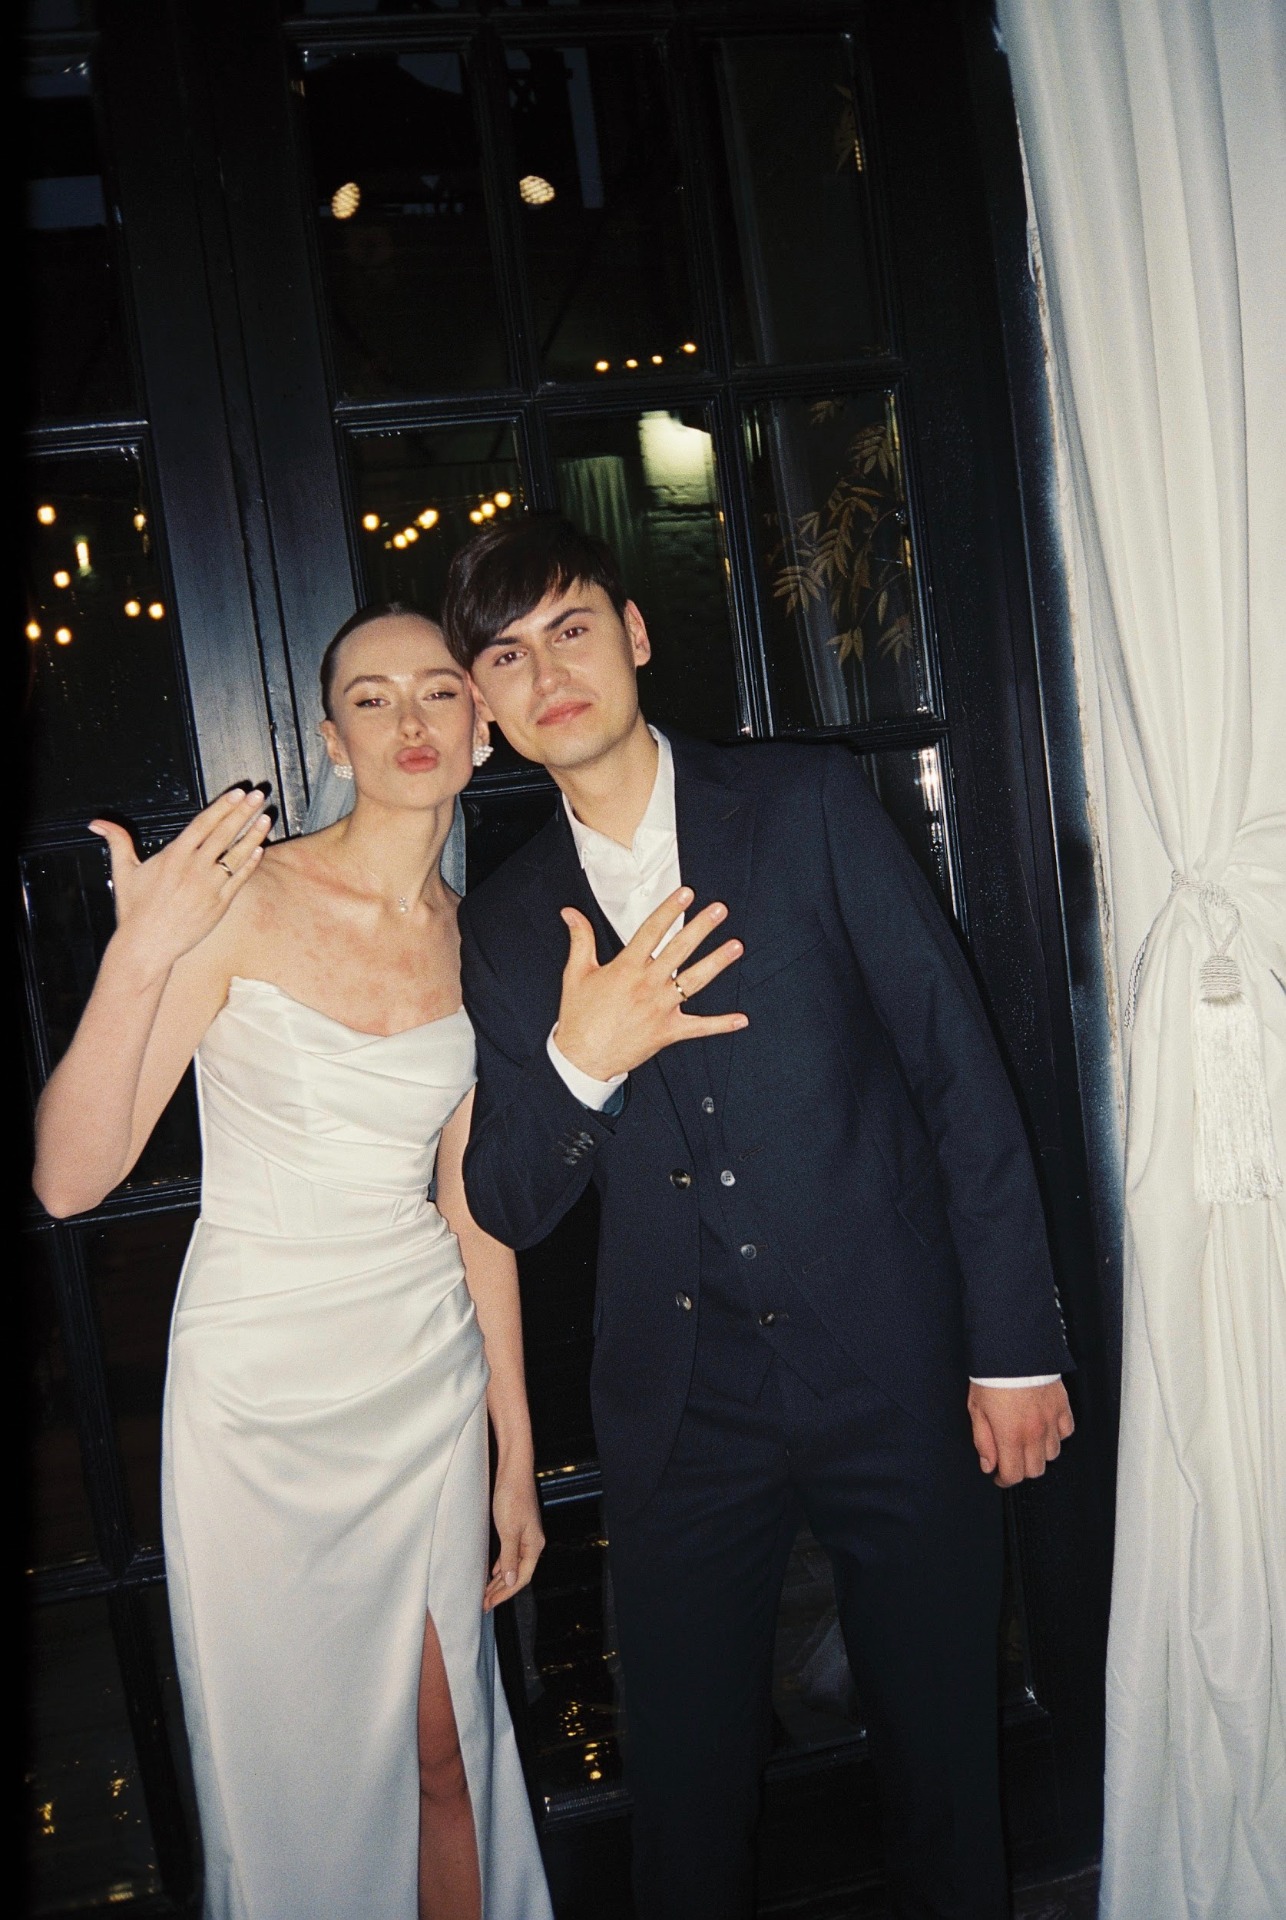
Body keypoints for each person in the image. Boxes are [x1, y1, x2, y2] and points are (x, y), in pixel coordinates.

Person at [443, 515, 1077, 1920]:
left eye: (572, 630)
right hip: (684, 1412)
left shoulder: (805, 807)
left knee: (944, 1778)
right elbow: (507, 1201)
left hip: (895, 1371)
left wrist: (1014, 1347)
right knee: (685, 1811)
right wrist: (581, 1061)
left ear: (633, 636)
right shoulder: (502, 925)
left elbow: (959, 1077)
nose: (549, 674)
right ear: (484, 704)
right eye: (508, 656)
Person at [32, 607, 554, 1920]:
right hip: (258, 1397)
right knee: (296, 1788)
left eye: (439, 691)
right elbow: (68, 1179)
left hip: (424, 1373)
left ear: (482, 729)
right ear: (331, 738)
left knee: (447, 1756)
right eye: (373, 699)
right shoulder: (241, 902)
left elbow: (473, 1211)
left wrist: (517, 1449)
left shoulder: (481, 938)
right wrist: (139, 951)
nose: (411, 721)